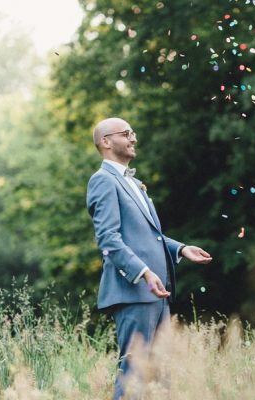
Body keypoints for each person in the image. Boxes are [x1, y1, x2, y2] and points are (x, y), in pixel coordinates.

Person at [86, 117, 212, 399]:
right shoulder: (102, 181)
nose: (134, 139)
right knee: (134, 374)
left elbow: (148, 236)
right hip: (133, 292)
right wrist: (142, 272)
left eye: (133, 133)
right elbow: (108, 239)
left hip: (158, 293)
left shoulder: (135, 183)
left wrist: (180, 249)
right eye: (126, 133)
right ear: (106, 142)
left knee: (160, 376)